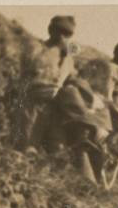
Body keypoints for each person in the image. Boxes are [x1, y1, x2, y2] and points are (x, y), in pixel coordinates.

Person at [16, 15, 77, 150]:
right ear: (51, 30)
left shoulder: (67, 56)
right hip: (32, 102)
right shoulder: (36, 48)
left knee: (57, 146)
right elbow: (31, 68)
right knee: (27, 142)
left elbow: (72, 77)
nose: (62, 37)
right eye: (60, 32)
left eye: (67, 34)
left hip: (54, 105)